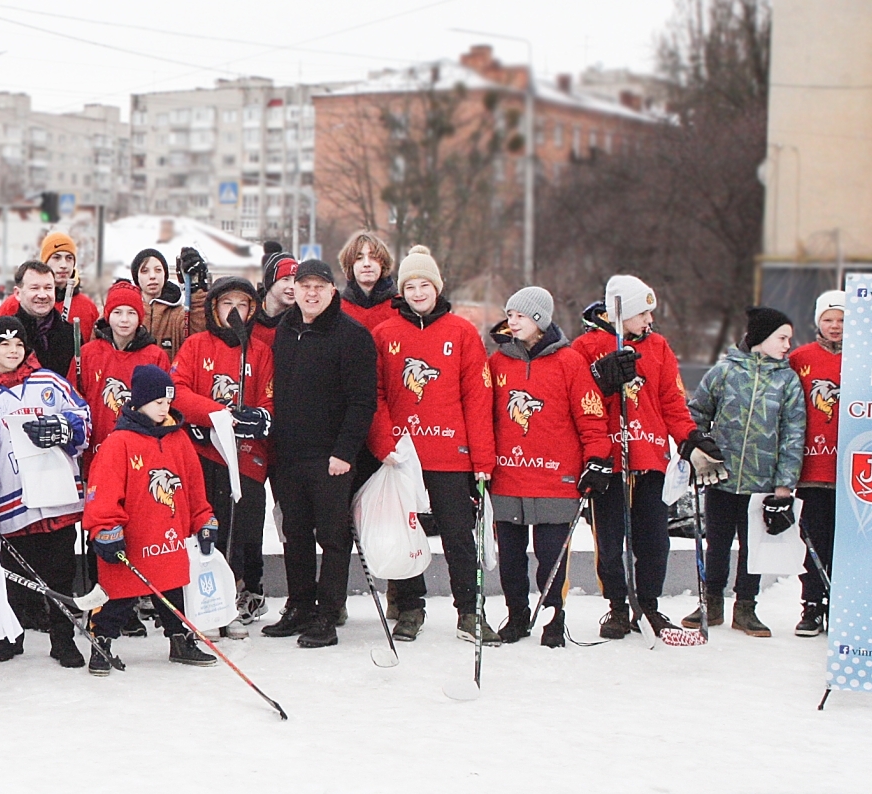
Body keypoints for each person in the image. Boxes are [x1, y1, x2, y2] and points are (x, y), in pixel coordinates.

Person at [365, 247, 496, 644]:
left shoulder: (462, 332)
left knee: (458, 534)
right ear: (401, 291)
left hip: (450, 456)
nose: (418, 292)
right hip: (403, 457)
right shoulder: (385, 333)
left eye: (425, 285)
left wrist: (481, 458)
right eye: (410, 286)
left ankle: (470, 612)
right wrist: (385, 441)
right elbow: (376, 393)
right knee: (406, 533)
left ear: (437, 288)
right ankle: (409, 608)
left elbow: (477, 397)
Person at [570, 274, 699, 640]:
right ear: (619, 311)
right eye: (642, 313)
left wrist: (689, 438)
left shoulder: (658, 347)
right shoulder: (585, 346)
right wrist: (601, 377)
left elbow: (673, 401)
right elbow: (578, 399)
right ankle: (617, 606)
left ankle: (650, 605)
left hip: (650, 459)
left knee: (654, 541)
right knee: (609, 543)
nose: (648, 321)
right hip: (609, 461)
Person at [260, 259, 377, 649]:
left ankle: (327, 613)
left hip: (331, 457)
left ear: (331, 291)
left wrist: (344, 451)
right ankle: (299, 606)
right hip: (289, 454)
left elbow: (363, 402)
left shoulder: (352, 336)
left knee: (331, 536)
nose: (310, 293)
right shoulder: (285, 330)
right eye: (303, 285)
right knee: (294, 535)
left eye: (319, 286)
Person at [484, 287, 610, 648]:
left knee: (551, 554)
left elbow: (590, 416)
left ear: (539, 319)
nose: (512, 321)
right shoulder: (498, 363)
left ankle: (553, 615)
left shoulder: (569, 363)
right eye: (509, 315)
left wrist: (597, 459)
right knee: (510, 555)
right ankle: (517, 613)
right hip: (508, 476)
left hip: (556, 477)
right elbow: (484, 416)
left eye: (520, 316)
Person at [0, 316, 91, 668]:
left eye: (18, 344)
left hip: (56, 496)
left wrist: (65, 427)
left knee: (60, 572)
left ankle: (63, 640)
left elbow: (84, 415)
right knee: (15, 575)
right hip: (14, 501)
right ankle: (11, 634)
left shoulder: (49, 382)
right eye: (4, 345)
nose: (13, 350)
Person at [82, 364, 221, 673]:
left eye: (168, 401)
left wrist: (204, 520)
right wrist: (105, 528)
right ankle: (101, 641)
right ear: (140, 401)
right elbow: (101, 492)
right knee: (118, 597)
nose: (165, 407)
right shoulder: (119, 443)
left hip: (168, 538)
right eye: (158, 401)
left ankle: (180, 638)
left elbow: (194, 488)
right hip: (131, 541)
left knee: (174, 592)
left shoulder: (179, 440)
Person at [681, 307, 804, 637]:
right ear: (761, 338)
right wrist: (699, 450)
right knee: (717, 543)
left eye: (788, 339)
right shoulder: (724, 373)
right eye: (781, 338)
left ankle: (746, 607)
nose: (787, 345)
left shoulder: (787, 380)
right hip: (720, 477)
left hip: (761, 482)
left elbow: (794, 434)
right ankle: (711, 602)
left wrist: (784, 485)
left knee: (754, 548)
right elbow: (696, 414)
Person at [169, 275, 275, 636]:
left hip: (245, 460)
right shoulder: (196, 346)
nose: (234, 310)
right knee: (204, 530)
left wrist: (259, 417)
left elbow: (270, 400)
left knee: (242, 534)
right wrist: (213, 415)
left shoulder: (260, 351)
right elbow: (178, 391)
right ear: (215, 308)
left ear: (252, 309)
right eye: (227, 303)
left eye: (242, 304)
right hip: (204, 455)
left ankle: (232, 603)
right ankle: (203, 605)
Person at [785, 290, 846, 637]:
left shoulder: (866, 358)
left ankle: (842, 602)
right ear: (817, 321)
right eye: (828, 319)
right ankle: (811, 603)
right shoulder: (800, 358)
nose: (835, 326)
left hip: (853, 469)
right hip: (812, 468)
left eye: (841, 320)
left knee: (847, 541)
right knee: (813, 538)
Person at [77, 280, 169, 453]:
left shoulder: (155, 356)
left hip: (139, 449)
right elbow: (74, 400)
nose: (124, 320)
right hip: (95, 446)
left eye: (131, 313)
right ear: (108, 315)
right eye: (117, 312)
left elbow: (165, 407)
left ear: (140, 317)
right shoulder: (88, 354)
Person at [0, 232, 101, 342]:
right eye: (56, 257)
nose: (63, 265)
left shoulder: (87, 307)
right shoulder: (14, 303)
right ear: (45, 261)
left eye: (69, 258)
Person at [0, 261, 81, 380]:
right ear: (17, 293)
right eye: (35, 288)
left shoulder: (71, 334)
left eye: (48, 288)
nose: (42, 295)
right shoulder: (4, 333)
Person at [128, 247, 207, 354]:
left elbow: (198, 334)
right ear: (136, 277)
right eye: (145, 271)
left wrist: (197, 290)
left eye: (158, 270)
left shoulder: (177, 315)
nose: (152, 276)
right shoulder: (127, 311)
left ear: (165, 275)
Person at [335, 231, 400, 332]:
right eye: (359, 258)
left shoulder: (400, 307)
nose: (366, 264)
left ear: (383, 263)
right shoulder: (337, 309)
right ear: (350, 265)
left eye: (373, 257)